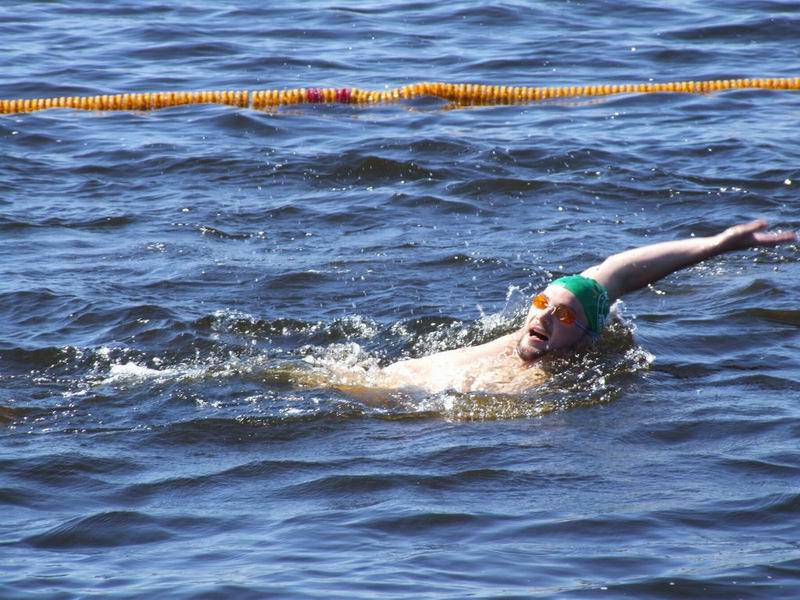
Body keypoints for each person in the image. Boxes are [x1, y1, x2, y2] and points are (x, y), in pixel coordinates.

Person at [378, 219, 796, 394]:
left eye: (562, 314)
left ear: (586, 337)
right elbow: (617, 271)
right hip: (382, 381)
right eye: (541, 302)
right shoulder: (532, 335)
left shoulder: (545, 382)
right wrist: (716, 243)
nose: (543, 316)